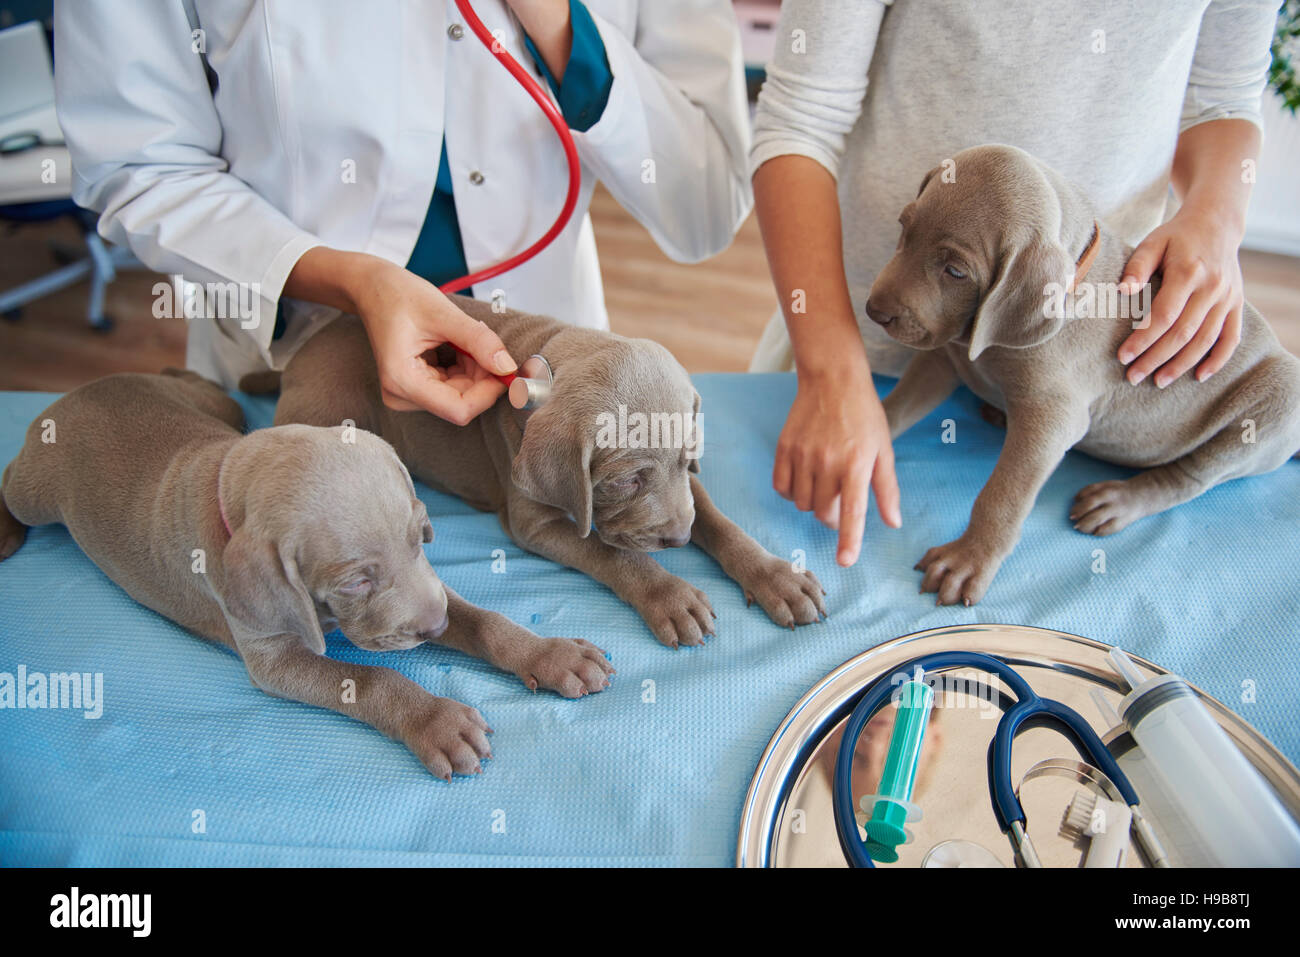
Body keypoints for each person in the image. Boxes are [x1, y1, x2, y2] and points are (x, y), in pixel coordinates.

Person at [749, 0, 1279, 568]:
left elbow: (1224, 97)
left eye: (953, 268)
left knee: (1283, 396)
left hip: (1154, 377)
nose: (886, 294)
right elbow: (799, 117)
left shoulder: (1042, 315)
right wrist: (836, 376)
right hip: (838, 330)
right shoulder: (950, 302)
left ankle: (1172, 483)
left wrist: (1217, 216)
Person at [54, 0, 751, 424]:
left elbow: (706, 203)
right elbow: (139, 163)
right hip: (291, 376)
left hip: (543, 383)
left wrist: (562, 26)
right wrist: (351, 280)